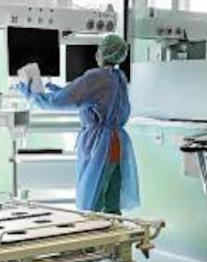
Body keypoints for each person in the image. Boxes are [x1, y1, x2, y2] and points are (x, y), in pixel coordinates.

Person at [19, 34, 140, 214]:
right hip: (117, 144)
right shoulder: (117, 77)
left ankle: (95, 233)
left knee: (92, 204)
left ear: (103, 53)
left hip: (101, 147)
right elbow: (88, 98)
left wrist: (31, 95)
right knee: (110, 203)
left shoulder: (97, 77)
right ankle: (115, 233)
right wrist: (56, 89)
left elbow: (60, 102)